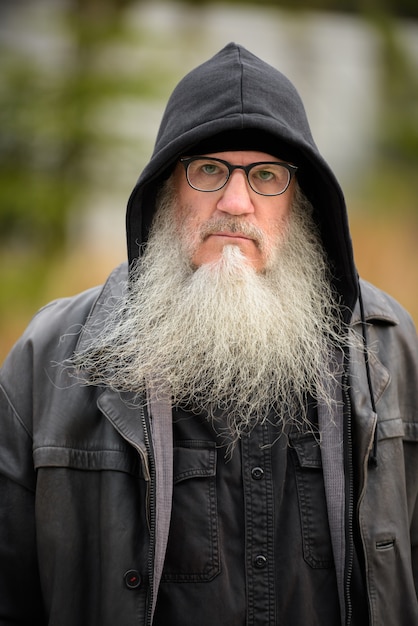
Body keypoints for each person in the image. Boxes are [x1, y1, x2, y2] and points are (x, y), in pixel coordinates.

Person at [0, 42, 417, 626]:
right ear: (167, 188)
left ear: (301, 203)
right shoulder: (47, 360)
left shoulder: (393, 352)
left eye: (266, 175)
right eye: (210, 170)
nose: (236, 202)